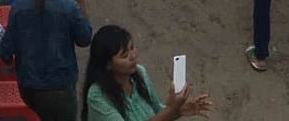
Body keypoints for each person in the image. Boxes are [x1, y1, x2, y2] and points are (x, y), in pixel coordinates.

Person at [0, 0, 93, 121]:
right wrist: (80, 0)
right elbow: (85, 38)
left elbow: (5, 52)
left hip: (28, 88)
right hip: (60, 90)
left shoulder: (20, 6)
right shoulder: (69, 8)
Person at [81, 25, 214, 121]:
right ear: (107, 64)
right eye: (124, 55)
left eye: (132, 48)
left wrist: (179, 110)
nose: (133, 56)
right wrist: (172, 109)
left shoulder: (140, 73)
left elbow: (157, 111)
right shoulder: (97, 96)